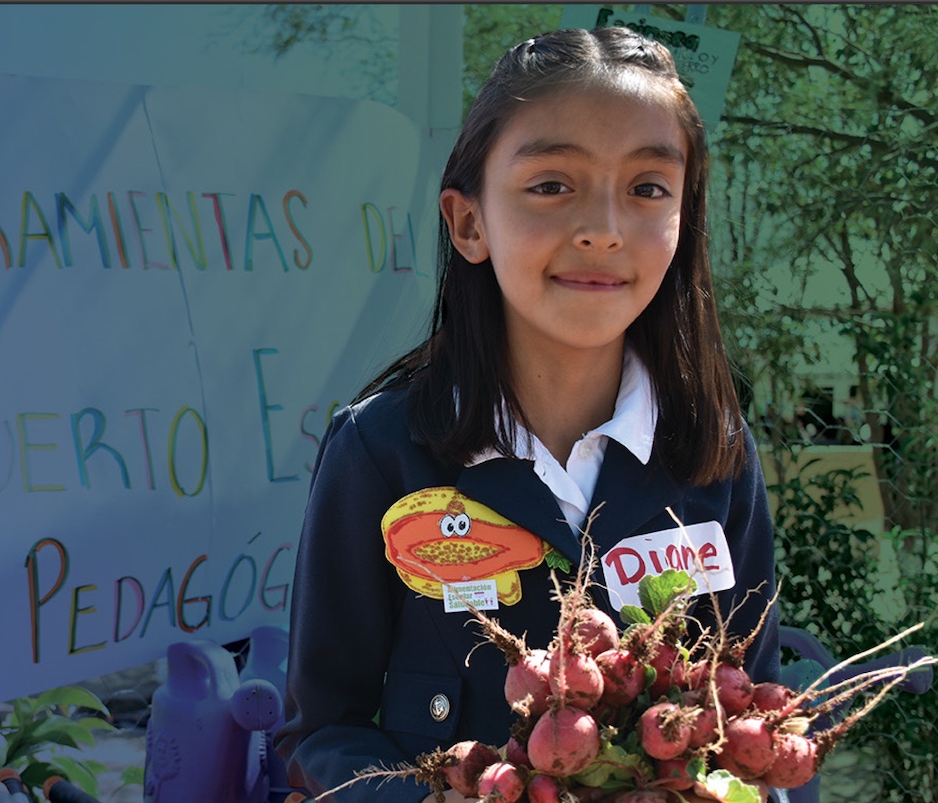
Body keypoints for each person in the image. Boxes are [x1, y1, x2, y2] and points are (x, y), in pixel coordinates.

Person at [275, 26, 780, 803]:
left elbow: (753, 715)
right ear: (469, 223)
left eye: (649, 187)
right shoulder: (380, 451)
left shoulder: (716, 451)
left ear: (684, 222)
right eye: (552, 184)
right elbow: (318, 733)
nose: (604, 227)